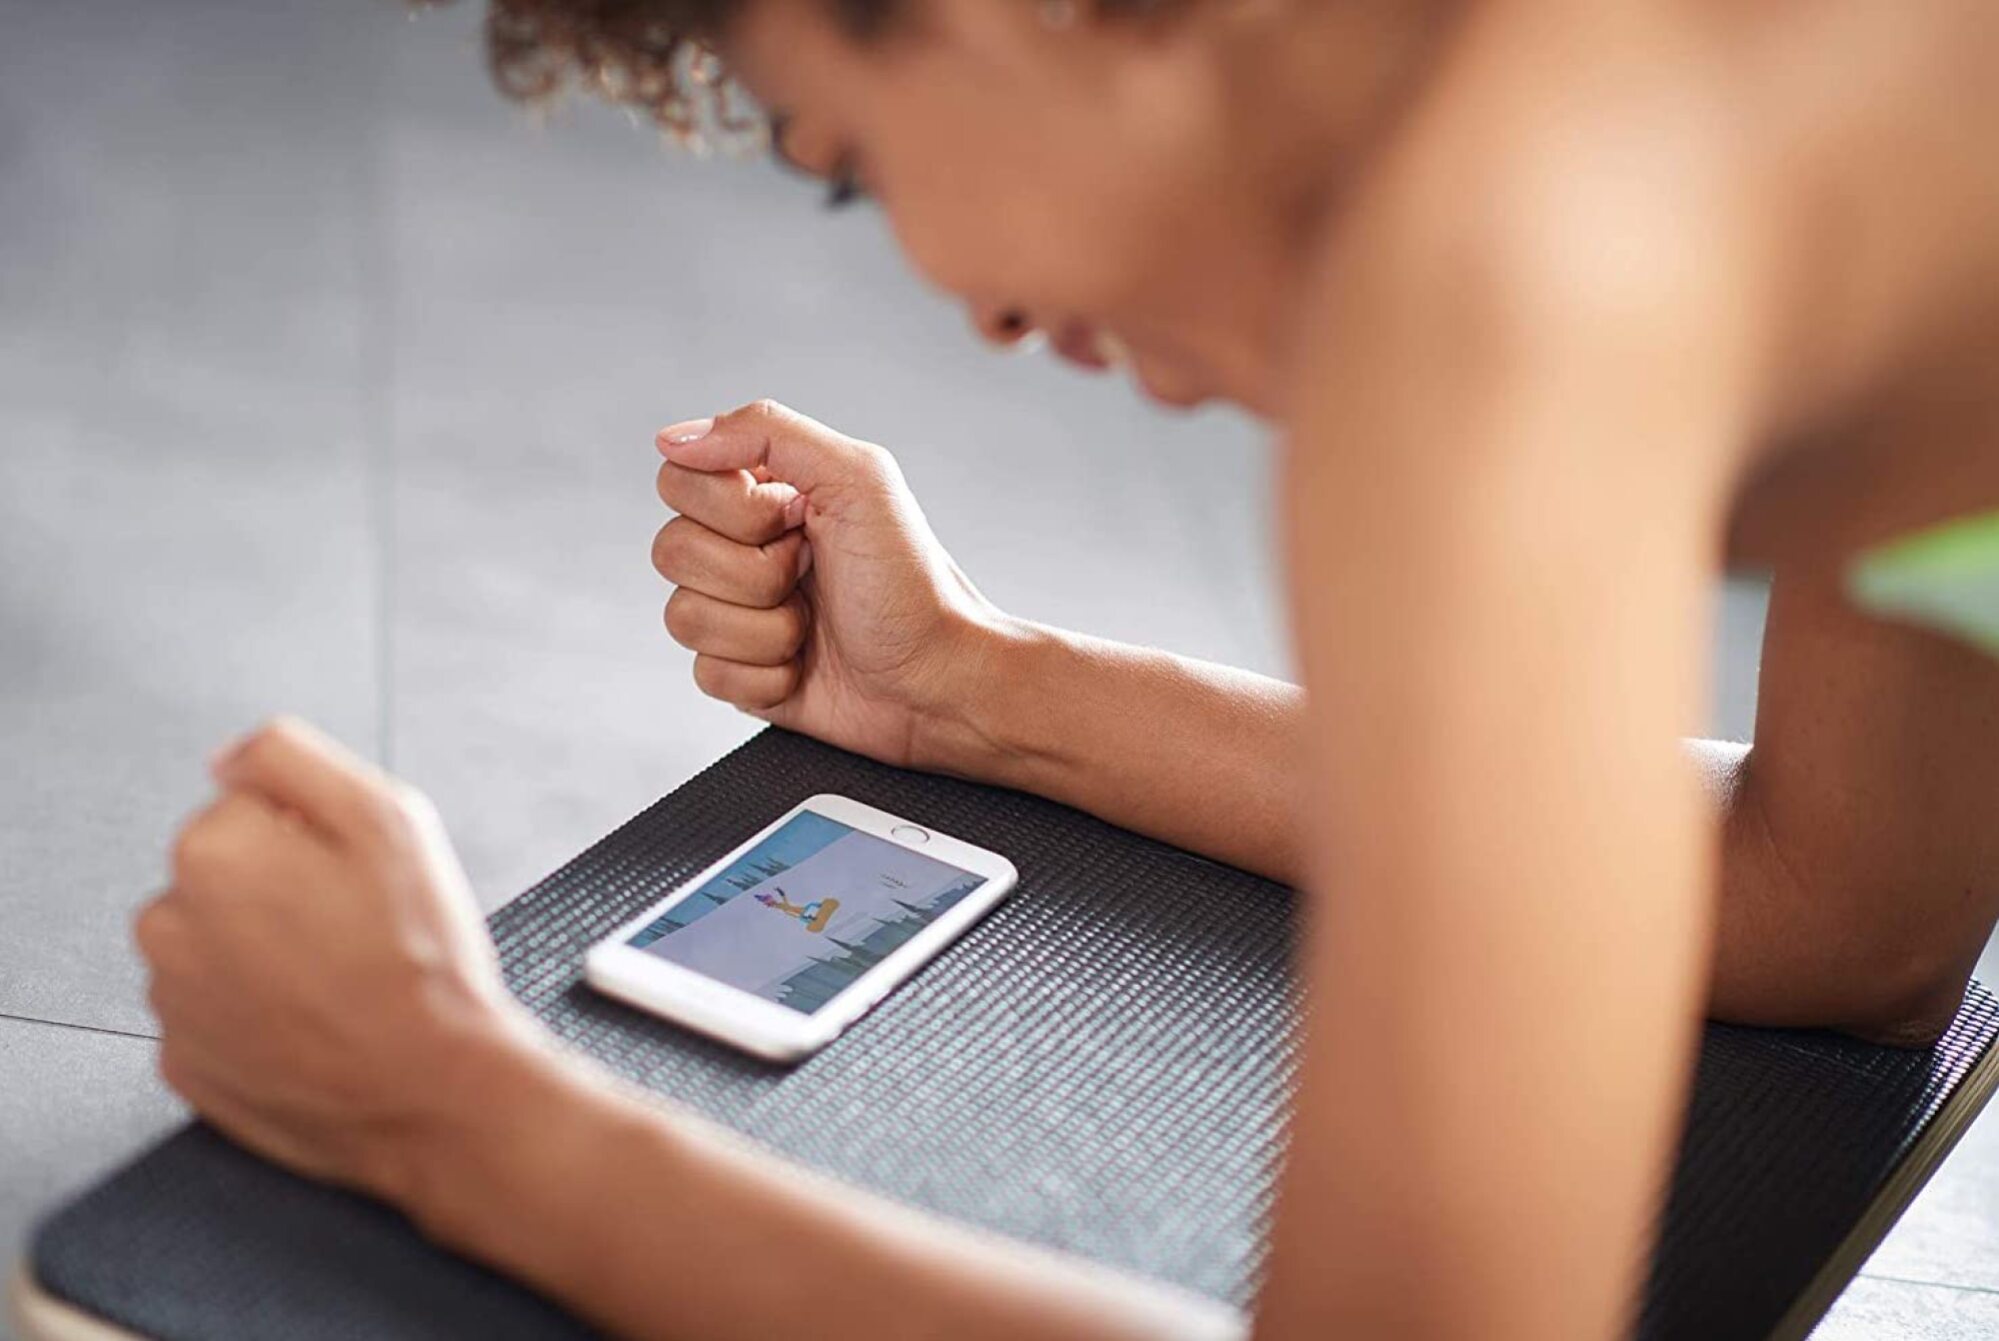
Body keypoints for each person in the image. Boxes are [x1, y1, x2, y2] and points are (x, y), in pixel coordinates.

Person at [134, 0, 1999, 1336]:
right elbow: (1845, 910)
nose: (982, 304)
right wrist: (971, 687)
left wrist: (447, 1106)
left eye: (853, 165)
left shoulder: (1509, 255)